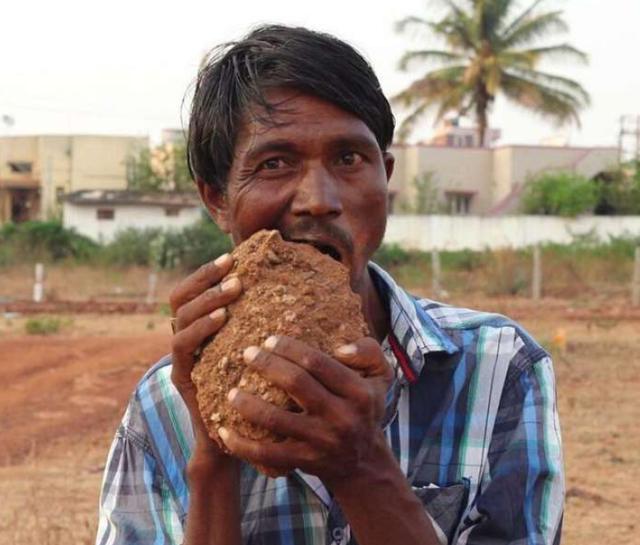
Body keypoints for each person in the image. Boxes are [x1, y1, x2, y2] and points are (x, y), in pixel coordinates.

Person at [96, 25, 564, 545]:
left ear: (384, 177)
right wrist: (212, 458)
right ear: (216, 199)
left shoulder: (498, 368)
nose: (318, 199)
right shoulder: (165, 403)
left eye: (348, 158)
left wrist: (361, 466)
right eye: (274, 163)